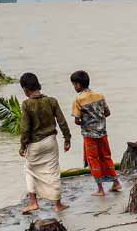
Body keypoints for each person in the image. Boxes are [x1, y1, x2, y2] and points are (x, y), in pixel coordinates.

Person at [17, 72, 71, 214]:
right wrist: (67, 138)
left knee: (29, 170)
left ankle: (33, 202)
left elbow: (25, 128)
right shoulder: (51, 101)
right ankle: (58, 204)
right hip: (51, 141)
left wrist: (23, 146)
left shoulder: (27, 104)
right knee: (53, 172)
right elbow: (62, 121)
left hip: (35, 144)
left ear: (25, 89)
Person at [69, 70, 121, 197]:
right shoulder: (99, 95)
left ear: (78, 85)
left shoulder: (78, 99)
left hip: (89, 135)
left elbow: (76, 120)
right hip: (102, 133)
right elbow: (107, 113)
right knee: (106, 157)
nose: (74, 87)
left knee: (93, 160)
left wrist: (86, 122)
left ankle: (100, 189)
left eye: (74, 85)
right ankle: (116, 182)